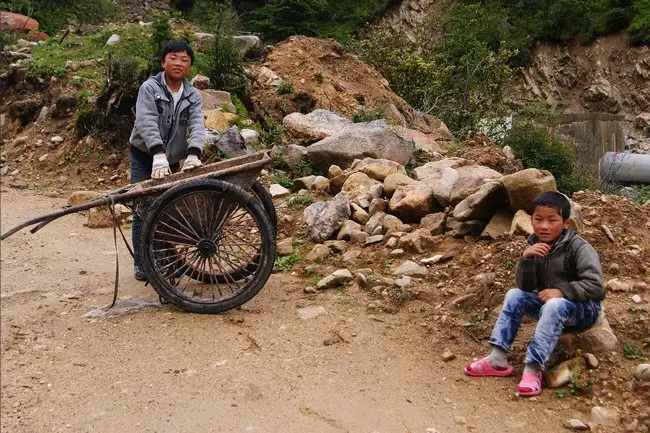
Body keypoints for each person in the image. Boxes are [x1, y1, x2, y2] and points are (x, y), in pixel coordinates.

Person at [464, 192, 605, 397]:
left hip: (583, 309)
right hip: (551, 308)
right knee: (514, 295)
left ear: (566, 223)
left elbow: (596, 286)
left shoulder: (579, 248)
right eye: (538, 219)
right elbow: (524, 286)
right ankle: (498, 359)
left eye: (552, 220)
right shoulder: (536, 245)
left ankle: (533, 369)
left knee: (555, 305)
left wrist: (562, 292)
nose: (544, 226)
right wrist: (526, 260)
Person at [128, 40, 206, 281]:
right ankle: (142, 262)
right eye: (173, 58)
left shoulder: (192, 95)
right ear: (163, 62)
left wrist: (194, 153)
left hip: (171, 158)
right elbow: (146, 120)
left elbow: (197, 124)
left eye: (184, 60)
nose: (178, 63)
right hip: (145, 154)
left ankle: (163, 258)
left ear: (190, 66)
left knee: (168, 208)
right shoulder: (149, 88)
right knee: (144, 208)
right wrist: (157, 153)